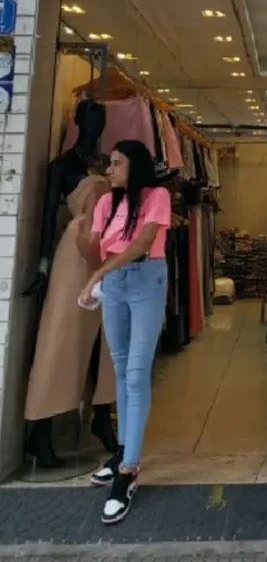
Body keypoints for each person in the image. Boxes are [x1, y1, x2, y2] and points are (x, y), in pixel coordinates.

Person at [79, 140, 170, 525]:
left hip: (146, 279)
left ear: (135, 165)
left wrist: (97, 276)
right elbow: (94, 248)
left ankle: (128, 469)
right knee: (120, 369)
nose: (110, 170)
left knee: (135, 372)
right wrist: (83, 233)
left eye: (117, 163)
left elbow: (144, 242)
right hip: (115, 284)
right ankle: (123, 451)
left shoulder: (157, 196)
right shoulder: (105, 203)